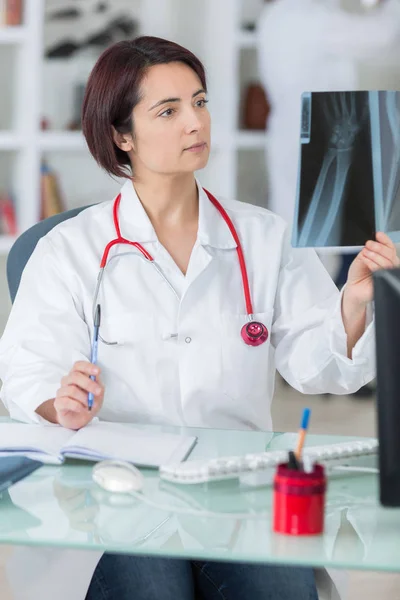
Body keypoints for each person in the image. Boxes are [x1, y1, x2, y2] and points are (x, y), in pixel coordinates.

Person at [0, 36, 397, 600]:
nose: (195, 122)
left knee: (279, 587)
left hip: (237, 491)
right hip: (117, 493)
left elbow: (320, 370)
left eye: (201, 101)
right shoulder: (68, 249)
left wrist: (353, 305)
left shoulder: (262, 236)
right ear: (121, 136)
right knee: (151, 582)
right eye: (169, 110)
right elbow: (25, 368)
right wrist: (56, 401)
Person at [257, 0, 400, 397]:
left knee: (320, 244)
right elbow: (383, 37)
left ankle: (331, 354)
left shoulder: (281, 15)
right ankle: (320, 356)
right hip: (321, 130)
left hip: (310, 126)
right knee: (321, 249)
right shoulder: (303, 14)